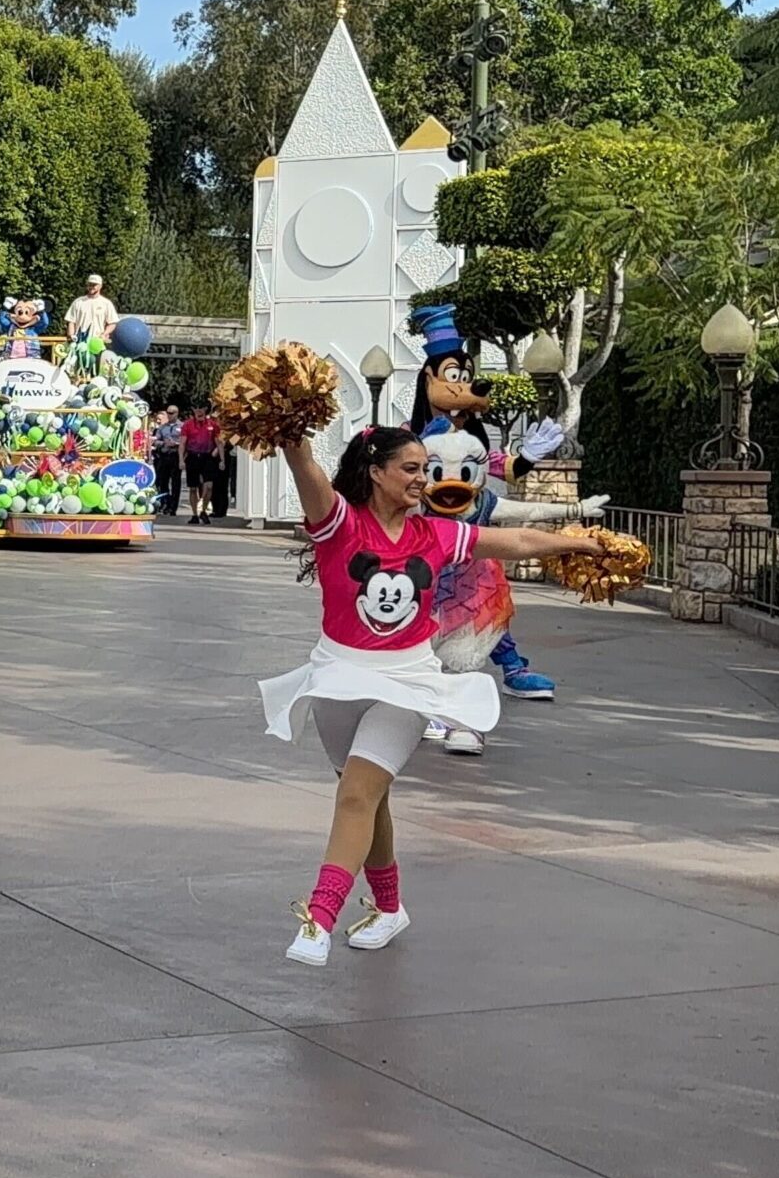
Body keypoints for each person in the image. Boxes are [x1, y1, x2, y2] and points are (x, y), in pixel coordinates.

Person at [262, 425, 600, 967]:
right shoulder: (337, 524)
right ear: (375, 472)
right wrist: (289, 426)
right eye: (412, 469)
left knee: (355, 796)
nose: (425, 479)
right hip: (337, 679)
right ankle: (391, 907)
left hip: (409, 682)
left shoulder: (438, 535)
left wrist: (574, 542)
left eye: (427, 469)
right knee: (369, 799)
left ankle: (319, 918)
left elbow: (513, 542)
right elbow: (303, 464)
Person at [180, 406, 220, 525]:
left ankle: (203, 509)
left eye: (202, 409)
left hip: (207, 456)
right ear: (193, 411)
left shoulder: (212, 425)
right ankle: (194, 514)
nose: (199, 412)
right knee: (193, 487)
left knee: (209, 486)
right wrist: (181, 460)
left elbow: (220, 441)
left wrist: (217, 452)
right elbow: (182, 443)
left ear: (205, 411)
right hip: (192, 456)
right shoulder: (187, 425)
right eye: (196, 409)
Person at [63, 274, 120, 343]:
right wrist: (72, 335)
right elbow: (71, 321)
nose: (91, 287)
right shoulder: (78, 302)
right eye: (90, 284)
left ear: (100, 286)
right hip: (79, 341)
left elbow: (112, 323)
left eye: (94, 285)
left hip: (97, 342)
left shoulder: (106, 303)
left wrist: (104, 334)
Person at [150, 409, 185, 517]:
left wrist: (176, 443)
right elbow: (155, 441)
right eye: (169, 413)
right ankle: (166, 503)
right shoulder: (162, 427)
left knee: (175, 483)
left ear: (177, 413)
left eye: (172, 413)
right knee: (163, 482)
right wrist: (163, 443)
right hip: (164, 457)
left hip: (175, 455)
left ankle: (173, 507)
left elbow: (186, 441)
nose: (170, 415)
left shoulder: (182, 426)